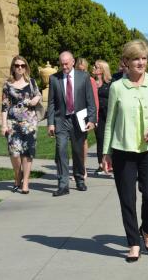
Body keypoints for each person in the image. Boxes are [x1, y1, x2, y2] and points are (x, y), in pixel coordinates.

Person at [102, 40, 148, 262]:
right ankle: (133, 242)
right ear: (126, 62)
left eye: (144, 58)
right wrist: (106, 152)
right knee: (127, 199)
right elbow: (110, 121)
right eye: (135, 58)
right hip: (123, 150)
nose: (140, 62)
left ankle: (147, 230)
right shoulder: (117, 87)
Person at [47, 51, 96, 197]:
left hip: (79, 120)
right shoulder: (54, 78)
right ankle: (63, 185)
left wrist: (92, 119)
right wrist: (50, 123)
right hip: (61, 120)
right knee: (61, 150)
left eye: (66, 64)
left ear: (73, 62)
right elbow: (51, 102)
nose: (64, 66)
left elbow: (90, 100)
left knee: (78, 151)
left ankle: (80, 179)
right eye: (61, 64)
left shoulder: (84, 77)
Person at [0, 56, 42, 194]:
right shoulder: (7, 85)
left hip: (29, 123)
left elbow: (38, 95)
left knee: (27, 152)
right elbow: (5, 107)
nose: (20, 68)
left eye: (22, 65)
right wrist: (4, 125)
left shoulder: (31, 82)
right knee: (14, 153)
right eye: (17, 65)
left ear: (26, 67)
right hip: (13, 123)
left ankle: (25, 182)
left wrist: (35, 99)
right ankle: (17, 176)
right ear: (13, 67)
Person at [75, 57, 99, 179]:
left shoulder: (90, 80)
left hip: (84, 116)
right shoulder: (72, 80)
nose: (81, 72)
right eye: (79, 70)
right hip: (72, 115)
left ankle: (82, 169)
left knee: (82, 142)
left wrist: (94, 119)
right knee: (74, 144)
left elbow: (94, 101)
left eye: (83, 70)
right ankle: (77, 168)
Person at [92, 60, 111, 174]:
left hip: (108, 114)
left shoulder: (110, 82)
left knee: (109, 139)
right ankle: (100, 164)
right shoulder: (92, 83)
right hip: (97, 115)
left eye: (96, 67)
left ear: (102, 69)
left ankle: (110, 163)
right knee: (100, 139)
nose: (93, 68)